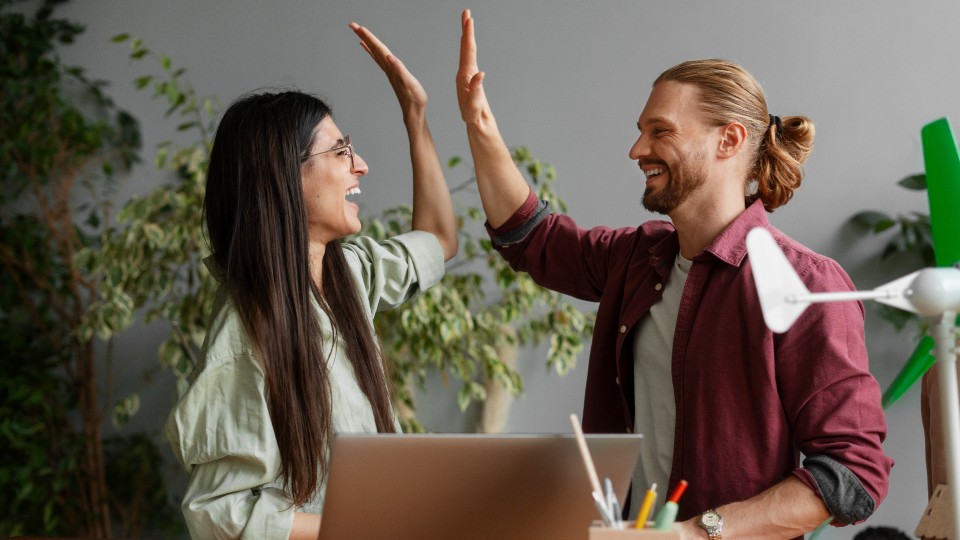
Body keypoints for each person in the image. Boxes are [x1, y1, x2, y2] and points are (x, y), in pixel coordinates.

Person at [455, 9, 892, 539]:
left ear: (728, 141)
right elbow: (532, 238)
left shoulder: (807, 285)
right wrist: (478, 121)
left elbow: (851, 473)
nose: (637, 150)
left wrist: (694, 532)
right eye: (640, 132)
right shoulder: (636, 258)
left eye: (660, 132)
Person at [164, 22, 457, 540]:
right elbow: (218, 513)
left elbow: (438, 239)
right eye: (341, 151)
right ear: (283, 175)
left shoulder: (351, 275)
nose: (361, 166)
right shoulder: (247, 328)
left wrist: (416, 115)